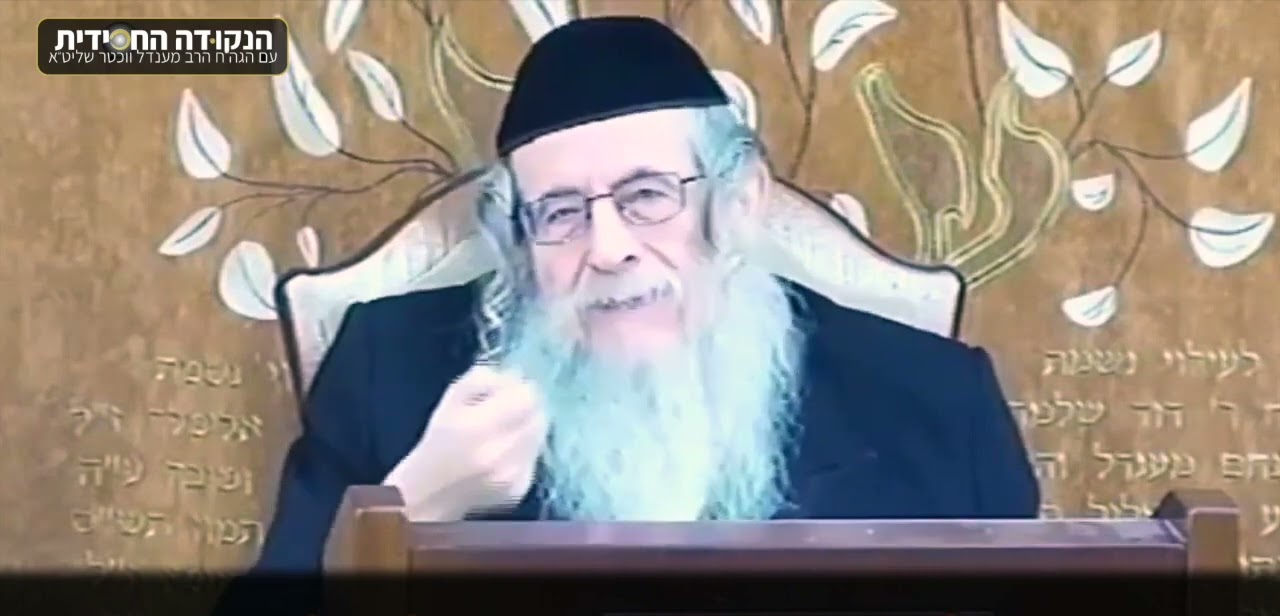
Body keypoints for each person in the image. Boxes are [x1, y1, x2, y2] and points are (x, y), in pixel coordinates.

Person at [256, 15, 1039, 573]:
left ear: (740, 201)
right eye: (560, 213)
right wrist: (412, 511)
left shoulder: (936, 401)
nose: (608, 249)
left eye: (648, 196)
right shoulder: (389, 372)